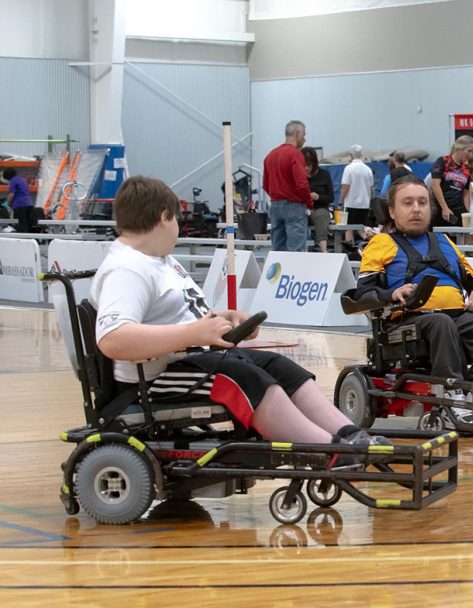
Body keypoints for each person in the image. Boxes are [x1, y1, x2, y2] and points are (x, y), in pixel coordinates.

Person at [89, 176, 387, 462]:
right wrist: (194, 333)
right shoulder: (127, 269)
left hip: (187, 359)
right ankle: (328, 450)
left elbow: (177, 319)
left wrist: (224, 319)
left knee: (277, 366)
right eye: (177, 220)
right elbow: (113, 339)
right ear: (165, 217)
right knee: (245, 379)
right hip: (153, 380)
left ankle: (349, 433)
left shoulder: (157, 259)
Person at [357, 175, 473, 425]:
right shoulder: (381, 243)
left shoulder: (444, 241)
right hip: (407, 321)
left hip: (455, 316)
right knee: (440, 322)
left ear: (430, 208)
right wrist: (391, 294)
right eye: (408, 203)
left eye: (423, 202)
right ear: (392, 211)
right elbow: (363, 292)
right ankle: (451, 394)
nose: (416, 208)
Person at [262, 120, 313, 252]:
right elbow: (301, 184)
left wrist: (278, 197)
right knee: (295, 251)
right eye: (304, 135)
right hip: (294, 207)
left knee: (278, 249)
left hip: (275, 206)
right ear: (297, 134)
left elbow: (265, 185)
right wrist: (309, 203)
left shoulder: (270, 155)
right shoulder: (295, 154)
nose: (304, 139)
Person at [431, 135, 473, 227]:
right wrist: (444, 208)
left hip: (458, 211)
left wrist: (467, 213)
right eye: (469, 151)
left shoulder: (466, 169)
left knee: (457, 240)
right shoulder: (443, 161)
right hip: (442, 208)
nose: (471, 155)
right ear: (459, 148)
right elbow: (436, 185)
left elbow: (466, 193)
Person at [340, 145, 374, 247]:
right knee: (362, 228)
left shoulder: (349, 168)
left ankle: (350, 249)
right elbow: (371, 189)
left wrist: (341, 201)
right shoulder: (368, 170)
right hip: (364, 204)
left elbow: (346, 186)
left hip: (351, 203)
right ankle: (369, 244)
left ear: (351, 155)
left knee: (349, 228)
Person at [302, 147, 334, 253]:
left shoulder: (324, 175)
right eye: (304, 165)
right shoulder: (298, 175)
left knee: (320, 216)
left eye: (309, 165)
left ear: (315, 163)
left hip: (319, 208)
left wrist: (318, 197)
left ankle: (323, 249)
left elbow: (331, 197)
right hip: (302, 208)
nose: (306, 168)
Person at [2, 167, 34, 233]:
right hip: (29, 204)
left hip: (20, 205)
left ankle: (22, 241)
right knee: (26, 225)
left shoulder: (13, 181)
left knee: (21, 226)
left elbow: (12, 194)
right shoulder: (22, 179)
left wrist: (6, 203)